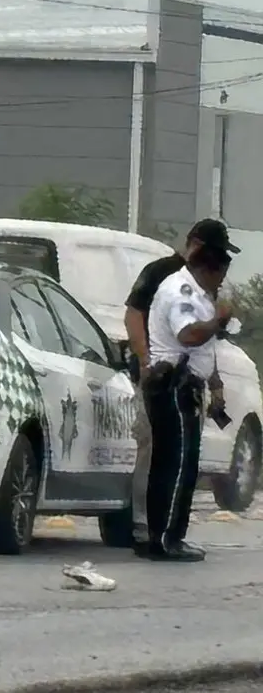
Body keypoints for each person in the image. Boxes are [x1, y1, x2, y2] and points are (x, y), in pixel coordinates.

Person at [122, 219, 239, 552]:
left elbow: (204, 347)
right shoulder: (178, 285)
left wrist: (215, 385)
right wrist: (144, 361)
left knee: (176, 462)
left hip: (184, 383)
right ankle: (161, 537)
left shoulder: (197, 289)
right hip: (171, 382)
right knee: (173, 465)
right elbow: (186, 334)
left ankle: (162, 535)